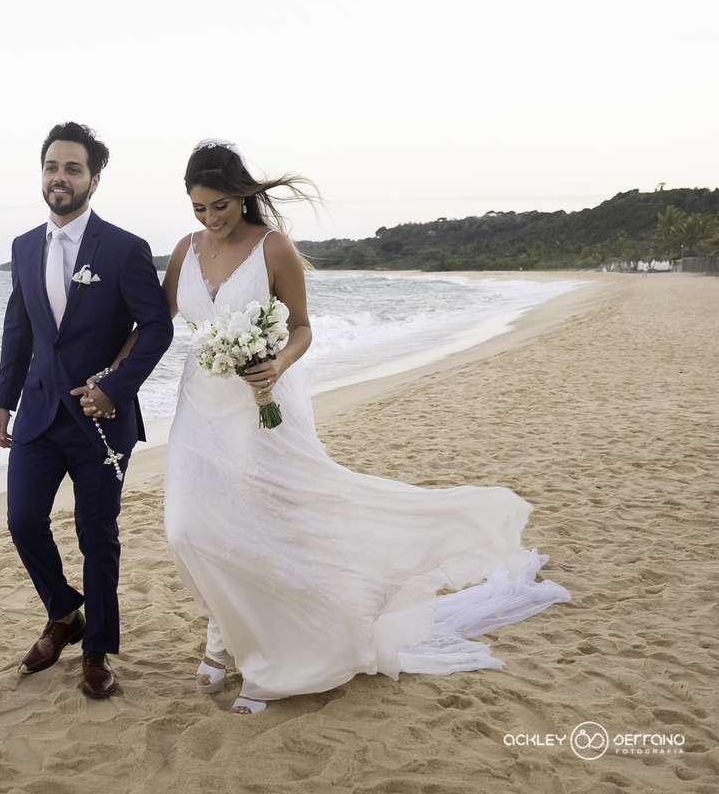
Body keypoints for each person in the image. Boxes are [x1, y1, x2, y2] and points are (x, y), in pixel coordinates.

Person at [160, 139, 569, 714]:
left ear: (243, 196)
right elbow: (156, 321)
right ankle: (220, 633)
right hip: (198, 408)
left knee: (261, 529)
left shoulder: (273, 247)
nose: (210, 218)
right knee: (187, 530)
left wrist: (277, 363)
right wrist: (104, 368)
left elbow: (301, 328)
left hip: (261, 408)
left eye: (220, 205)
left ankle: (262, 657)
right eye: (199, 208)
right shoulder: (185, 249)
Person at [0, 122, 173, 698]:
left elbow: (157, 327)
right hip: (38, 415)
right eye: (52, 167)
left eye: (73, 168)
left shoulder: (123, 248)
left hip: (101, 420)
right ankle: (65, 612)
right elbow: (19, 329)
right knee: (23, 522)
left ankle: (97, 650)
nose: (60, 178)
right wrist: (3, 400)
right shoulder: (24, 246)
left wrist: (115, 387)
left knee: (97, 535)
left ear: (94, 179)